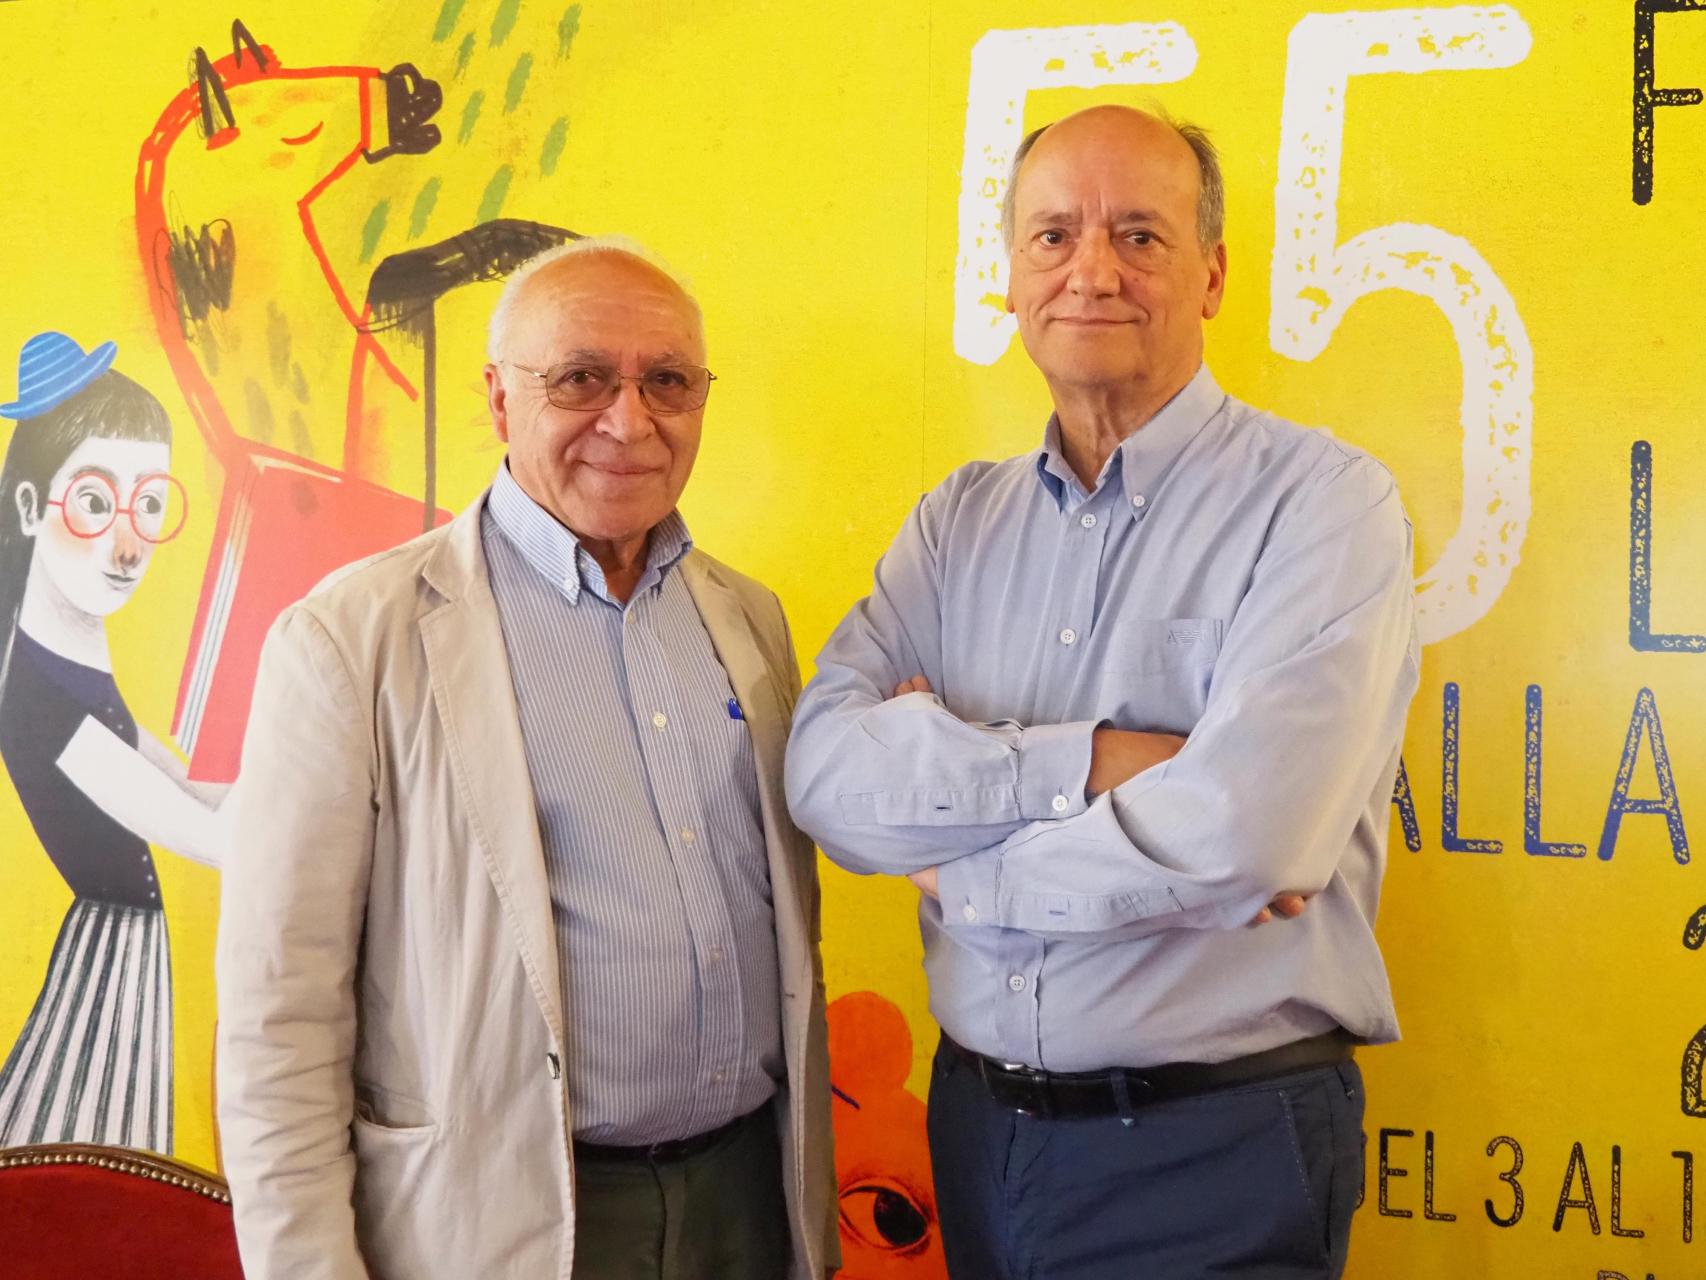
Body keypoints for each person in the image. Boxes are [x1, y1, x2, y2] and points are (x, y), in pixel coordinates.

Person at [786, 105, 1419, 1279]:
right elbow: (826, 773)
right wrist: (1091, 761)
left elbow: (1245, 837)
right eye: (1052, 235)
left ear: (1210, 273)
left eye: (1137, 234)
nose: (1089, 270)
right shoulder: (953, 525)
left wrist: (958, 865)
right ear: (1010, 274)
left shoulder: (1321, 503)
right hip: (977, 1132)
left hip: (1210, 1150)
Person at [217, 239, 836, 1279]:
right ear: (500, 400)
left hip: (748, 1199)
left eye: (667, 381)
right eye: (581, 378)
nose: (629, 421)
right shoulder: (350, 640)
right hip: (506, 1218)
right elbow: (281, 1009)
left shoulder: (749, 618)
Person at [0, 331, 223, 1154]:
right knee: (81, 1164)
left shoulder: (72, 670)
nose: (130, 545)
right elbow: (212, 837)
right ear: (31, 508)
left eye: (150, 504)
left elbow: (187, 785)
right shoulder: (41, 700)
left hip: (126, 959)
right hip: (108, 969)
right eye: (95, 502)